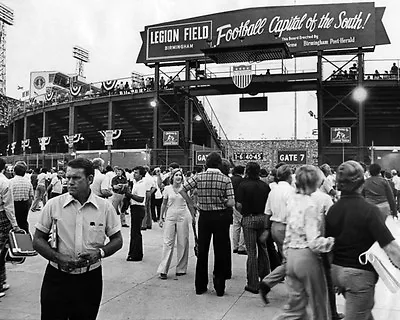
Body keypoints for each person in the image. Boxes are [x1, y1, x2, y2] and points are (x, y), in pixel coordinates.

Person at [32, 157, 123, 319]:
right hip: (56, 278)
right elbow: (38, 239)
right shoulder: (53, 205)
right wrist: (58, 257)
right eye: (68, 178)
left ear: (90, 179)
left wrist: (99, 253)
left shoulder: (105, 208)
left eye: (76, 178)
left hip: (89, 280)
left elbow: (117, 240)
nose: (70, 182)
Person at [326, 160, 400, 319]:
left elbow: (328, 246)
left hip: (337, 271)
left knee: (364, 313)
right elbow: (390, 248)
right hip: (359, 276)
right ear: (361, 183)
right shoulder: (369, 211)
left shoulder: (333, 209)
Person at [274, 165, 334, 320]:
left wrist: (286, 255)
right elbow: (313, 242)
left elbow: (288, 233)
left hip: (291, 256)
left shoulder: (292, 201)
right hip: (306, 257)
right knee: (318, 304)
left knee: (295, 307)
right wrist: (330, 242)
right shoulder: (310, 205)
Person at [180, 152, 234, 297]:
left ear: (206, 164)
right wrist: (222, 201)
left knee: (202, 252)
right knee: (220, 251)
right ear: (219, 164)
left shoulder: (199, 176)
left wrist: (192, 203)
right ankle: (219, 287)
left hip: (204, 217)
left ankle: (200, 286)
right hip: (220, 217)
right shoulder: (225, 179)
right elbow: (231, 202)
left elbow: (182, 189)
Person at [259, 164, 295, 304]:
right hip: (286, 227)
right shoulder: (291, 191)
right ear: (289, 176)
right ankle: (269, 282)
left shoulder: (272, 191)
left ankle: (268, 283)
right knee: (292, 260)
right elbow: (293, 211)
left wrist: (267, 229)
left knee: (287, 259)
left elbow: (267, 212)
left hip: (275, 226)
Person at [236, 162, 271, 294]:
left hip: (249, 218)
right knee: (263, 249)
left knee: (251, 252)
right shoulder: (264, 186)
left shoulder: (243, 185)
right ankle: (266, 280)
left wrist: (243, 213)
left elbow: (238, 205)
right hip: (262, 218)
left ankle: (253, 283)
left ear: (247, 171)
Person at [157, 169, 193, 279]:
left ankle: (181, 268)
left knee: (183, 241)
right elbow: (163, 204)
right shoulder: (167, 189)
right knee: (168, 242)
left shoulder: (185, 189)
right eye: (176, 175)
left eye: (180, 175)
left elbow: (189, 203)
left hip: (183, 215)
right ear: (172, 177)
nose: (178, 177)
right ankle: (163, 269)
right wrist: (160, 217)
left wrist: (193, 216)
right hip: (170, 215)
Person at [0, 158, 21, 297]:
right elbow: (8, 206)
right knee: (1, 251)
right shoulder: (4, 182)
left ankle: (2, 280)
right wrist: (15, 225)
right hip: (1, 217)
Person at [126, 166, 147, 262]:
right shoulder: (135, 183)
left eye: (136, 173)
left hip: (138, 208)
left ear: (141, 175)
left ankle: (137, 254)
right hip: (134, 208)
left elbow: (141, 199)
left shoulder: (141, 184)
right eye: (134, 172)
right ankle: (133, 252)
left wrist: (129, 195)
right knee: (134, 232)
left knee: (136, 232)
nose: (134, 174)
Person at [10, 161, 34, 233]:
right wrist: (28, 206)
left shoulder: (10, 182)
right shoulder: (28, 182)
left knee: (14, 223)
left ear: (14, 172)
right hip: (24, 204)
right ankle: (26, 239)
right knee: (23, 223)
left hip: (14, 205)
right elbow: (31, 196)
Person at [231, 165, 246, 255]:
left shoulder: (230, 179)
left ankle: (235, 246)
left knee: (236, 226)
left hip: (232, 203)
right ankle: (241, 246)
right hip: (240, 204)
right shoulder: (242, 181)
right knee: (244, 225)